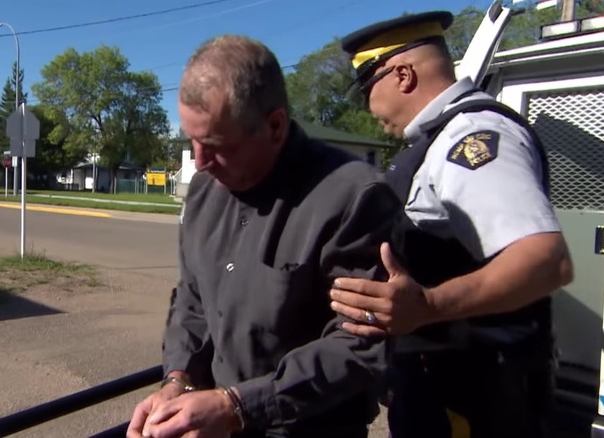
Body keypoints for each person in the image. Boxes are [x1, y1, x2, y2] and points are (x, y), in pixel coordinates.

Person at [126, 34, 402, 438]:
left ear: (274, 125)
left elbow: (360, 345)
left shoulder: (354, 197)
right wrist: (178, 380)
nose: (200, 162)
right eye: (192, 140)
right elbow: (193, 298)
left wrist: (238, 406)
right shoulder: (205, 189)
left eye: (216, 145)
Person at [326, 10, 575, 438]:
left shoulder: (470, 139)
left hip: (476, 398)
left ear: (402, 74)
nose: (368, 106)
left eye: (367, 86)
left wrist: (429, 306)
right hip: (443, 387)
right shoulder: (437, 141)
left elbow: (545, 259)